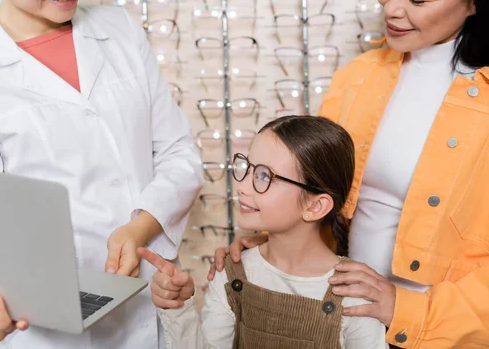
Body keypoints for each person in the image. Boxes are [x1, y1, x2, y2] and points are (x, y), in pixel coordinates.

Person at [208, 0, 489, 348]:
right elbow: (320, 196)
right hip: (340, 323)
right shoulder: (356, 80)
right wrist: (275, 243)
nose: (392, 8)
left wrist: (407, 307)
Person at [0, 0, 203, 348]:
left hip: (153, 299)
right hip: (49, 325)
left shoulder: (121, 30)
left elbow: (180, 156)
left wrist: (138, 226)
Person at [138, 115, 388, 349]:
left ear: (315, 206)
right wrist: (178, 307)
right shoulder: (231, 273)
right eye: (247, 167)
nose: (243, 186)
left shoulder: (355, 293)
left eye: (264, 176)